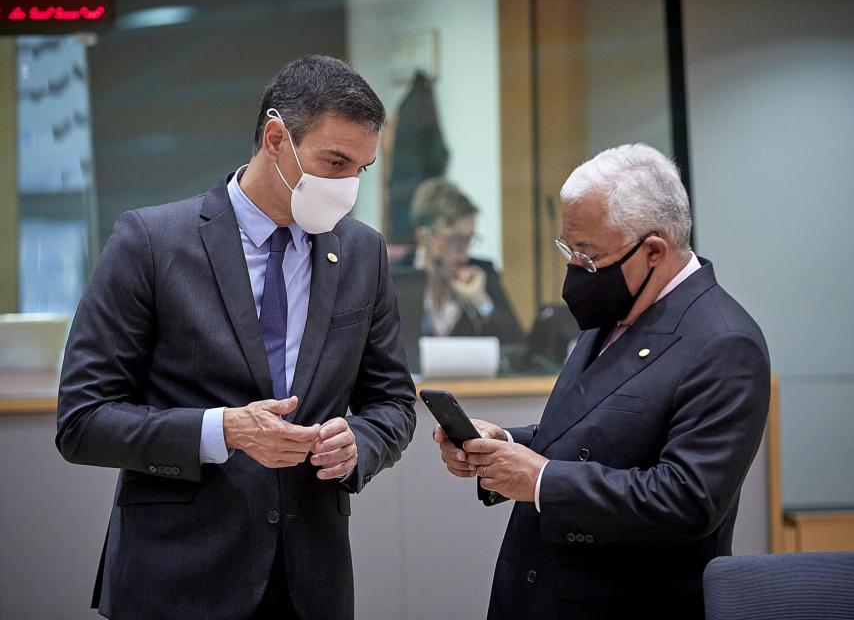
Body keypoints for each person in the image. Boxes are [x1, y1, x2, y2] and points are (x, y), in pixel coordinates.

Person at [56, 55, 416, 620]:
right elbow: (82, 422)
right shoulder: (151, 242)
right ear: (277, 138)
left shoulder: (361, 252)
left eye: (360, 170)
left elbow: (393, 401)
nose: (348, 187)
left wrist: (359, 445)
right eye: (335, 162)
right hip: (177, 574)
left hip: (309, 582)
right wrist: (221, 430)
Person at [434, 144, 770, 619]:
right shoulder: (616, 307)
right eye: (568, 250)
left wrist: (542, 480)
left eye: (588, 258)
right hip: (536, 591)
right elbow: (591, 429)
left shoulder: (725, 342)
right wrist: (506, 443)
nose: (574, 270)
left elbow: (688, 499)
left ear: (654, 250)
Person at [398, 177, 524, 344]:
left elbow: (518, 346)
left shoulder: (483, 274)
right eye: (454, 240)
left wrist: (482, 304)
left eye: (468, 239)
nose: (464, 252)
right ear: (424, 237)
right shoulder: (395, 278)